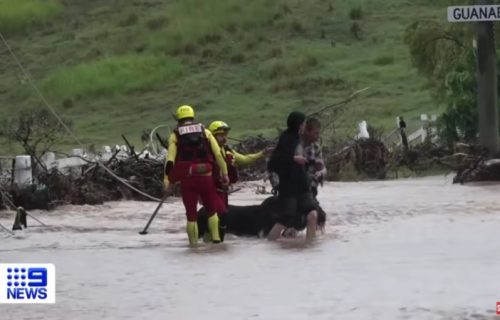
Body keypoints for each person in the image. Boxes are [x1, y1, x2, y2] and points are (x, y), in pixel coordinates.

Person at [163, 105, 229, 245]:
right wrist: (225, 174)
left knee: (191, 216)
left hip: (188, 180)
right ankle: (216, 241)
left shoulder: (175, 135)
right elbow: (218, 155)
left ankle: (193, 245)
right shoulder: (205, 132)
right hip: (206, 177)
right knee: (212, 211)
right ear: (192, 117)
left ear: (179, 119)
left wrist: (167, 181)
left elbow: (170, 160)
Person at [202, 120, 271, 241]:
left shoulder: (227, 151)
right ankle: (214, 241)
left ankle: (213, 245)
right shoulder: (206, 153)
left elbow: (244, 159)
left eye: (225, 134)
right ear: (212, 136)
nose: (224, 138)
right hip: (211, 190)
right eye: (221, 135)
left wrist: (262, 153)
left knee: (221, 217)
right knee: (220, 215)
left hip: (223, 191)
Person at [267, 111, 318, 242]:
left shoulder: (298, 138)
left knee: (312, 214)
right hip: (289, 188)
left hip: (302, 187)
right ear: (299, 124)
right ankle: (269, 245)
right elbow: (274, 161)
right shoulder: (287, 138)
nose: (305, 125)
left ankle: (310, 246)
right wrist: (294, 158)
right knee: (285, 220)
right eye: (304, 123)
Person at [302, 117, 327, 198]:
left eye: (319, 133)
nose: (318, 136)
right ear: (306, 131)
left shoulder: (316, 147)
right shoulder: (294, 144)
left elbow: (322, 168)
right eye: (316, 133)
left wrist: (321, 173)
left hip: (310, 187)